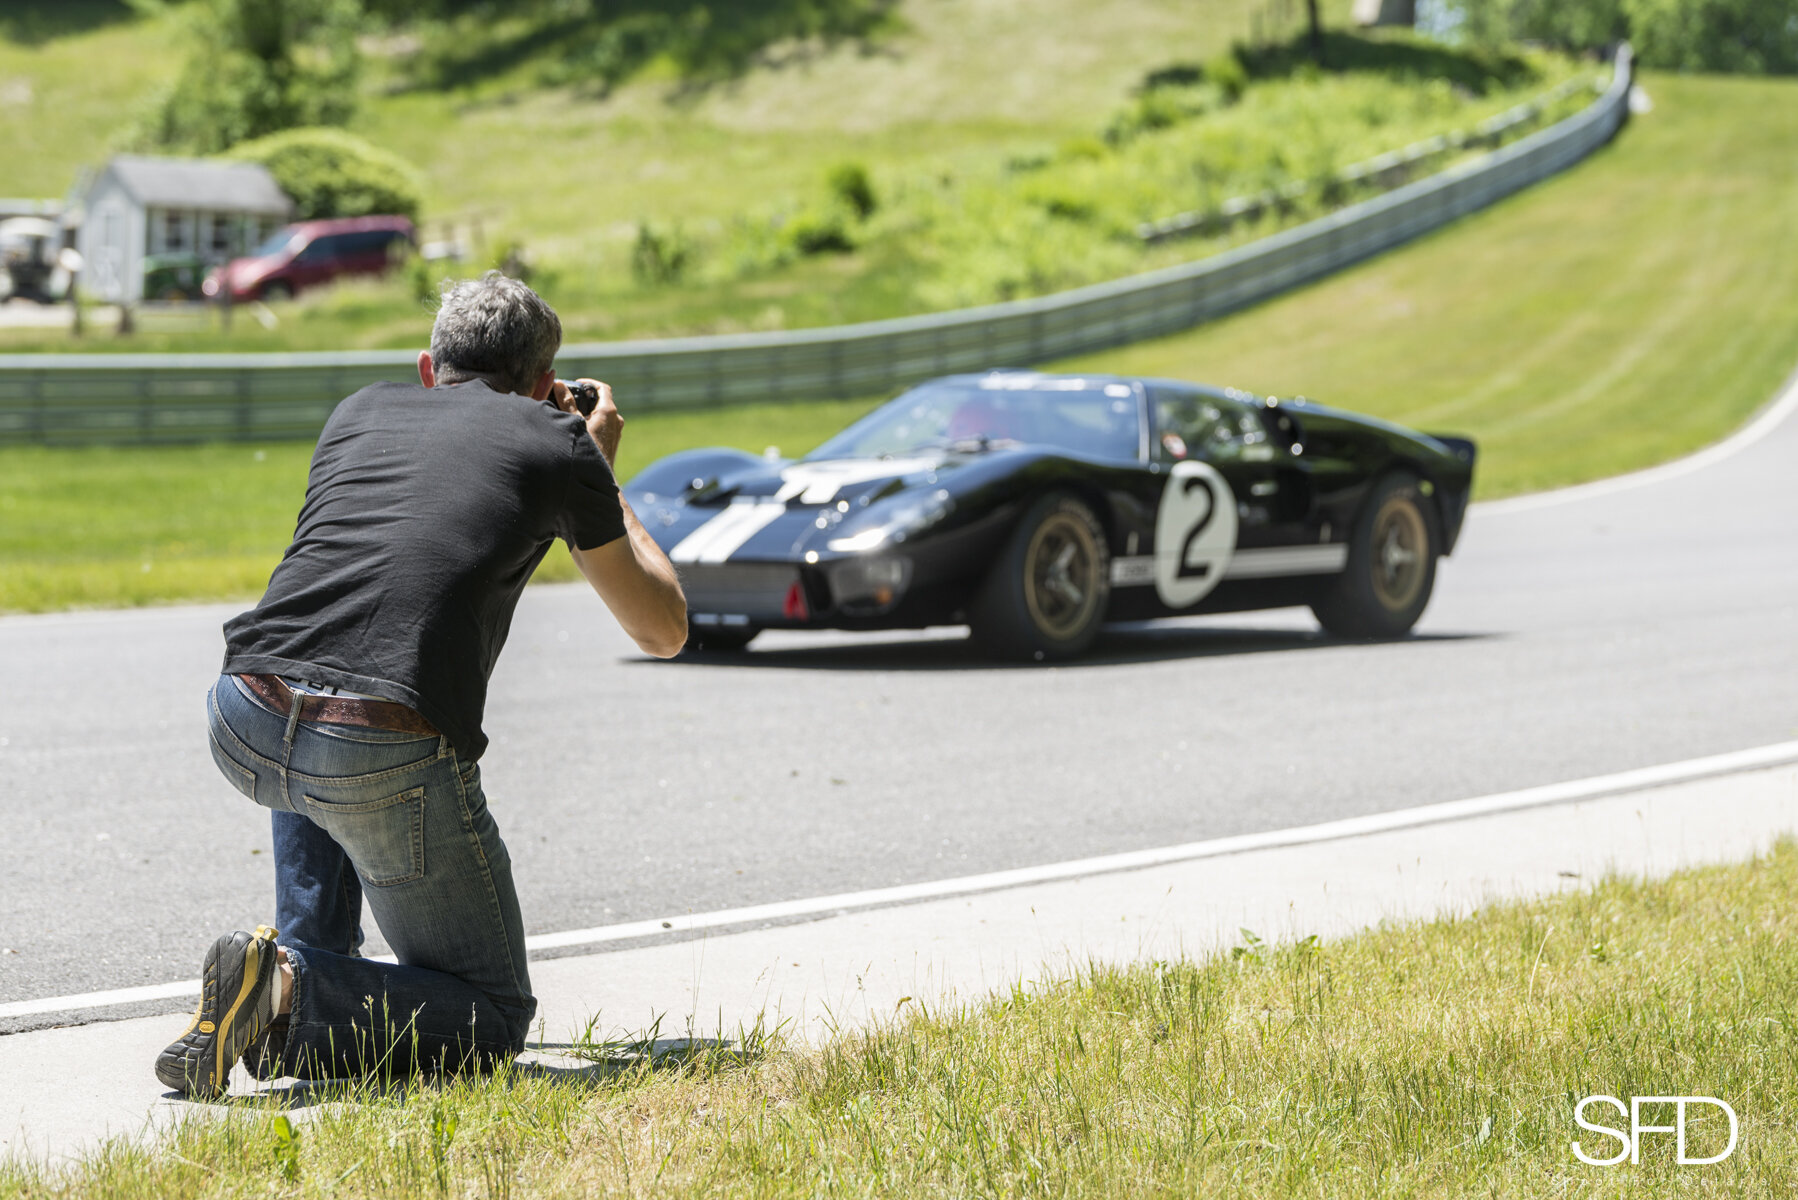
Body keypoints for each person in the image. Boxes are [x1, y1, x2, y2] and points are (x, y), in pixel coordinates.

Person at [155, 272, 687, 1098]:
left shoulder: (357, 412)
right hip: (373, 744)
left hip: (245, 712)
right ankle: (291, 986)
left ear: (428, 366)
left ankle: (280, 995)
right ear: (549, 387)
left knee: (329, 712)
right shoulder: (558, 446)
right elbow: (663, 628)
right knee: (491, 1012)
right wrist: (594, 463)